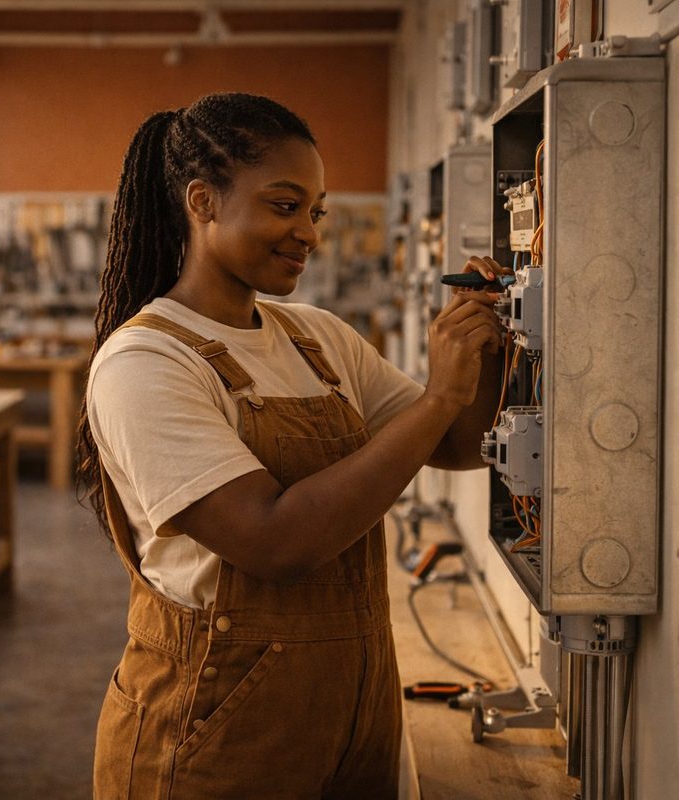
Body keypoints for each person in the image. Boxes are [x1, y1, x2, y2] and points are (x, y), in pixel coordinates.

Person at [75, 93, 504, 799]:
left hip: (354, 703)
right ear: (203, 202)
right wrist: (439, 396)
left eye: (317, 211)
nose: (308, 232)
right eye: (284, 206)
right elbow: (275, 543)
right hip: (217, 726)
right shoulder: (145, 364)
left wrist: (478, 345)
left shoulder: (318, 338)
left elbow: (458, 443)